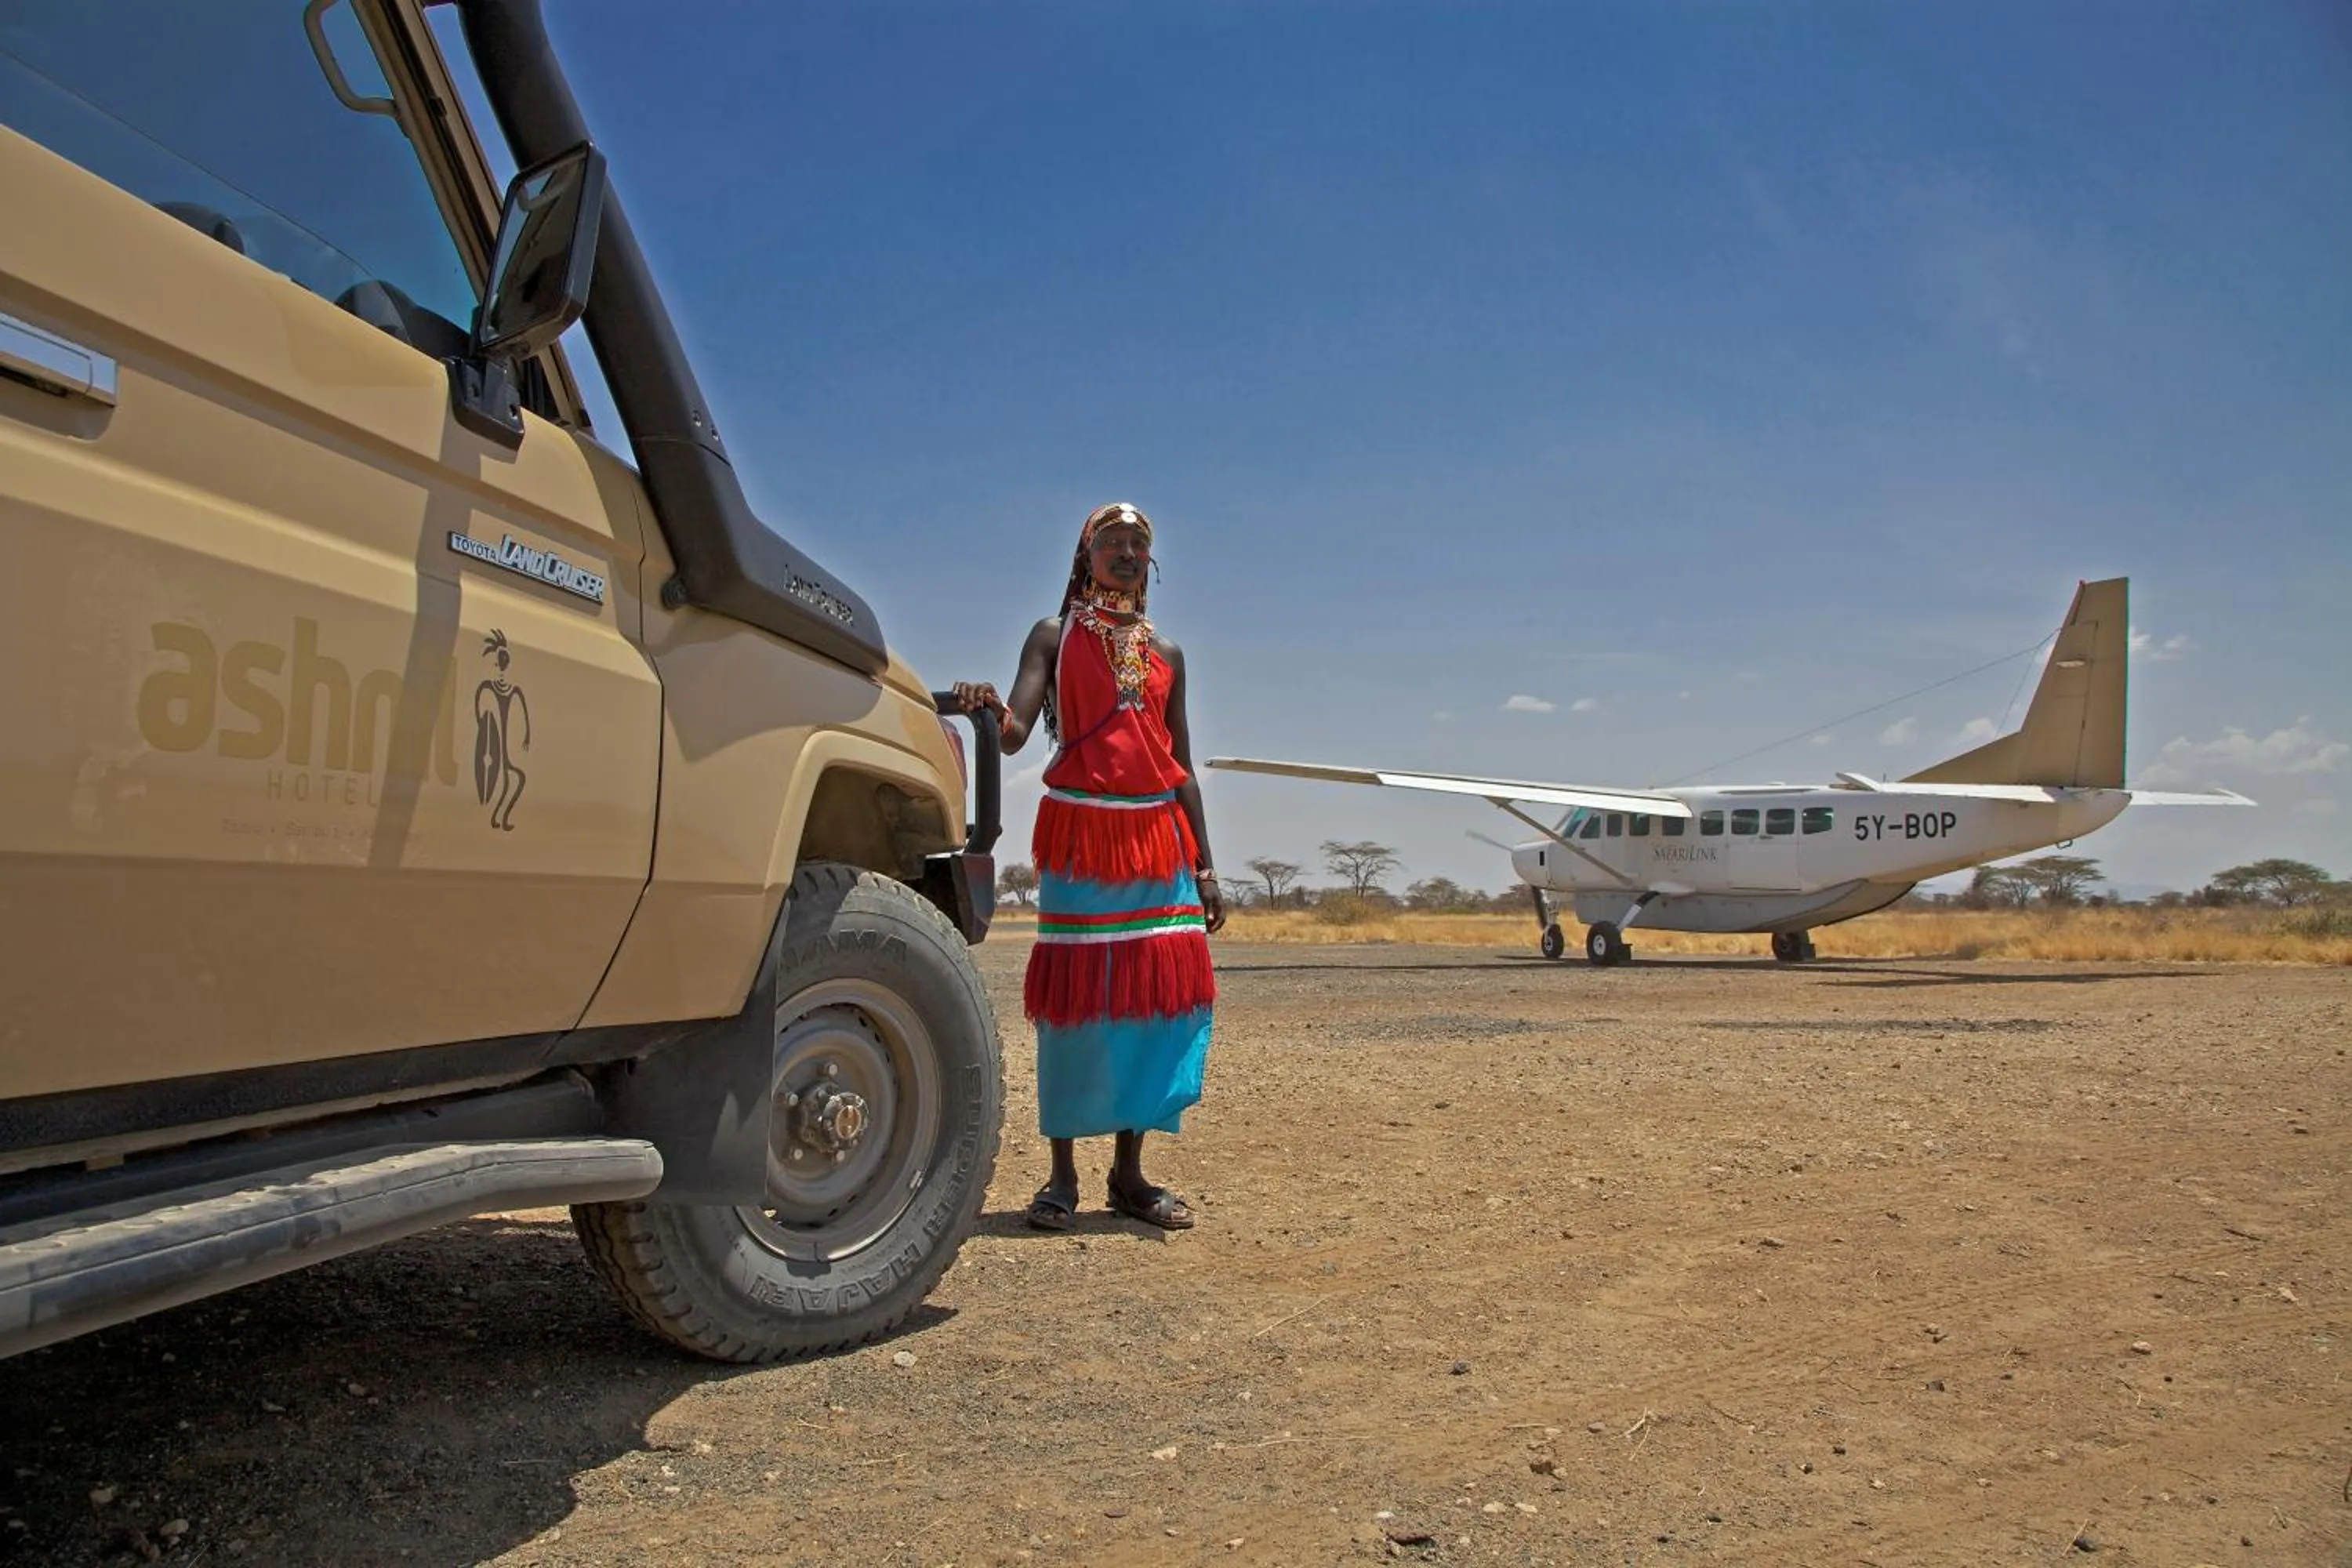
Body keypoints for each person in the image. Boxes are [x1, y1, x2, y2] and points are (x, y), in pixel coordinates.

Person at [953, 501, 1225, 1232]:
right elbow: (1015, 733)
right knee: (1077, 1005)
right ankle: (1062, 1177)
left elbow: (1181, 765)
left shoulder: (1168, 653)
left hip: (1159, 839)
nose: (1127, 553)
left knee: (1151, 1005)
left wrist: (1206, 869)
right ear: (1087, 555)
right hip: (1082, 833)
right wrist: (988, 707)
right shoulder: (1055, 634)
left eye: (1139, 543)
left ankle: (1129, 1177)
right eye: (1113, 541)